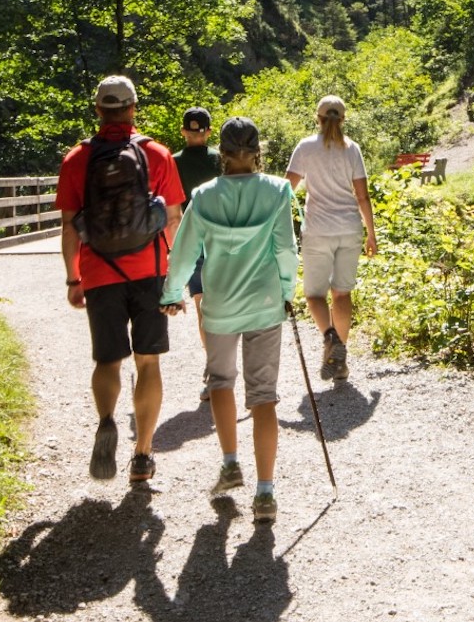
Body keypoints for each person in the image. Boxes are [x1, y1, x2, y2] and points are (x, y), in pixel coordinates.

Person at [159, 117, 297, 525]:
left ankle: (230, 463)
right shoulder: (277, 191)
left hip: (220, 302)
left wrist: (170, 295)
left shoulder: (203, 196)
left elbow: (183, 253)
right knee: (264, 395)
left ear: (222, 152)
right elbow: (286, 249)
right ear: (257, 151)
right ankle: (266, 493)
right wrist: (287, 293)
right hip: (265, 302)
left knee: (221, 381)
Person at [57, 74, 184, 484]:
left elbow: (69, 226)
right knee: (148, 361)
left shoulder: (77, 159)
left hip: (99, 273)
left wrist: (73, 279)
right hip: (149, 271)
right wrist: (174, 278)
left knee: (108, 359)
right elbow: (173, 220)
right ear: (133, 109)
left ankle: (108, 421)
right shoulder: (157, 154)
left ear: (98, 110)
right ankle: (143, 454)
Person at [285, 94, 378, 382]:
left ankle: (330, 339)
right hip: (349, 228)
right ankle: (340, 356)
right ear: (344, 119)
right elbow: (362, 196)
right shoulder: (352, 149)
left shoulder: (306, 147)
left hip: (318, 230)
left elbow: (286, 189)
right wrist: (371, 234)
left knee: (314, 295)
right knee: (342, 293)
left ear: (318, 118)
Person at [173, 106, 222, 401]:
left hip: (193, 240)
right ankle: (222, 364)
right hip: (222, 239)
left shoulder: (173, 162)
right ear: (209, 131)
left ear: (183, 133)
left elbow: (173, 209)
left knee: (201, 303)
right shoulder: (220, 159)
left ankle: (213, 366)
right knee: (222, 301)